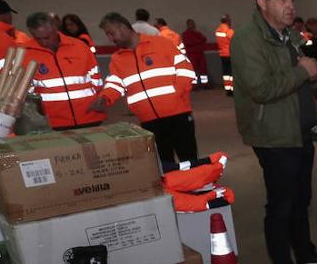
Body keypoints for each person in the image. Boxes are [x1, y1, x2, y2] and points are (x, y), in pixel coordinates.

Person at [231, 0, 317, 264]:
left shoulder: (289, 36)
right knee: (280, 206)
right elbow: (262, 89)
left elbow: (295, 80)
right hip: (273, 136)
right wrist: (302, 72)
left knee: (301, 200)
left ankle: (305, 256)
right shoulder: (247, 40)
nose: (290, 5)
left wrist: (306, 77)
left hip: (299, 131)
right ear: (262, 2)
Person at [91, 12, 198, 164]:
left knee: (189, 160)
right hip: (148, 121)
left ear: (123, 27)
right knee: (164, 164)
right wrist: (105, 98)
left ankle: (196, 186)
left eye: (111, 33)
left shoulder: (162, 44)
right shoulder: (117, 59)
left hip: (178, 115)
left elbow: (185, 71)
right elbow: (115, 83)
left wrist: (176, 95)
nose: (110, 38)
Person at [25, 11, 105, 130]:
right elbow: (26, 90)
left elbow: (96, 78)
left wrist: (100, 99)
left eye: (47, 37)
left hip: (89, 117)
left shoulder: (79, 47)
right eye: (38, 39)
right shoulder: (26, 53)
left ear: (55, 28)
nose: (44, 42)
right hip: (53, 123)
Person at [181, 18, 210, 87]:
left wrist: (197, 40)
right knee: (193, 70)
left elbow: (204, 39)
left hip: (200, 53)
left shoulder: (197, 33)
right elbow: (190, 42)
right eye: (191, 24)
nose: (193, 25)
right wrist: (198, 41)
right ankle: (194, 85)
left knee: (203, 69)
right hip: (192, 54)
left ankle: (205, 84)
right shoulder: (185, 34)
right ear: (188, 25)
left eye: (193, 24)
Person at [216, 14, 235, 94]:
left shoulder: (218, 30)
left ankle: (227, 89)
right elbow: (235, 40)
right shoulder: (228, 30)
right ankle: (233, 89)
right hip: (230, 54)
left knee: (226, 73)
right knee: (232, 73)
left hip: (222, 54)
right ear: (227, 21)